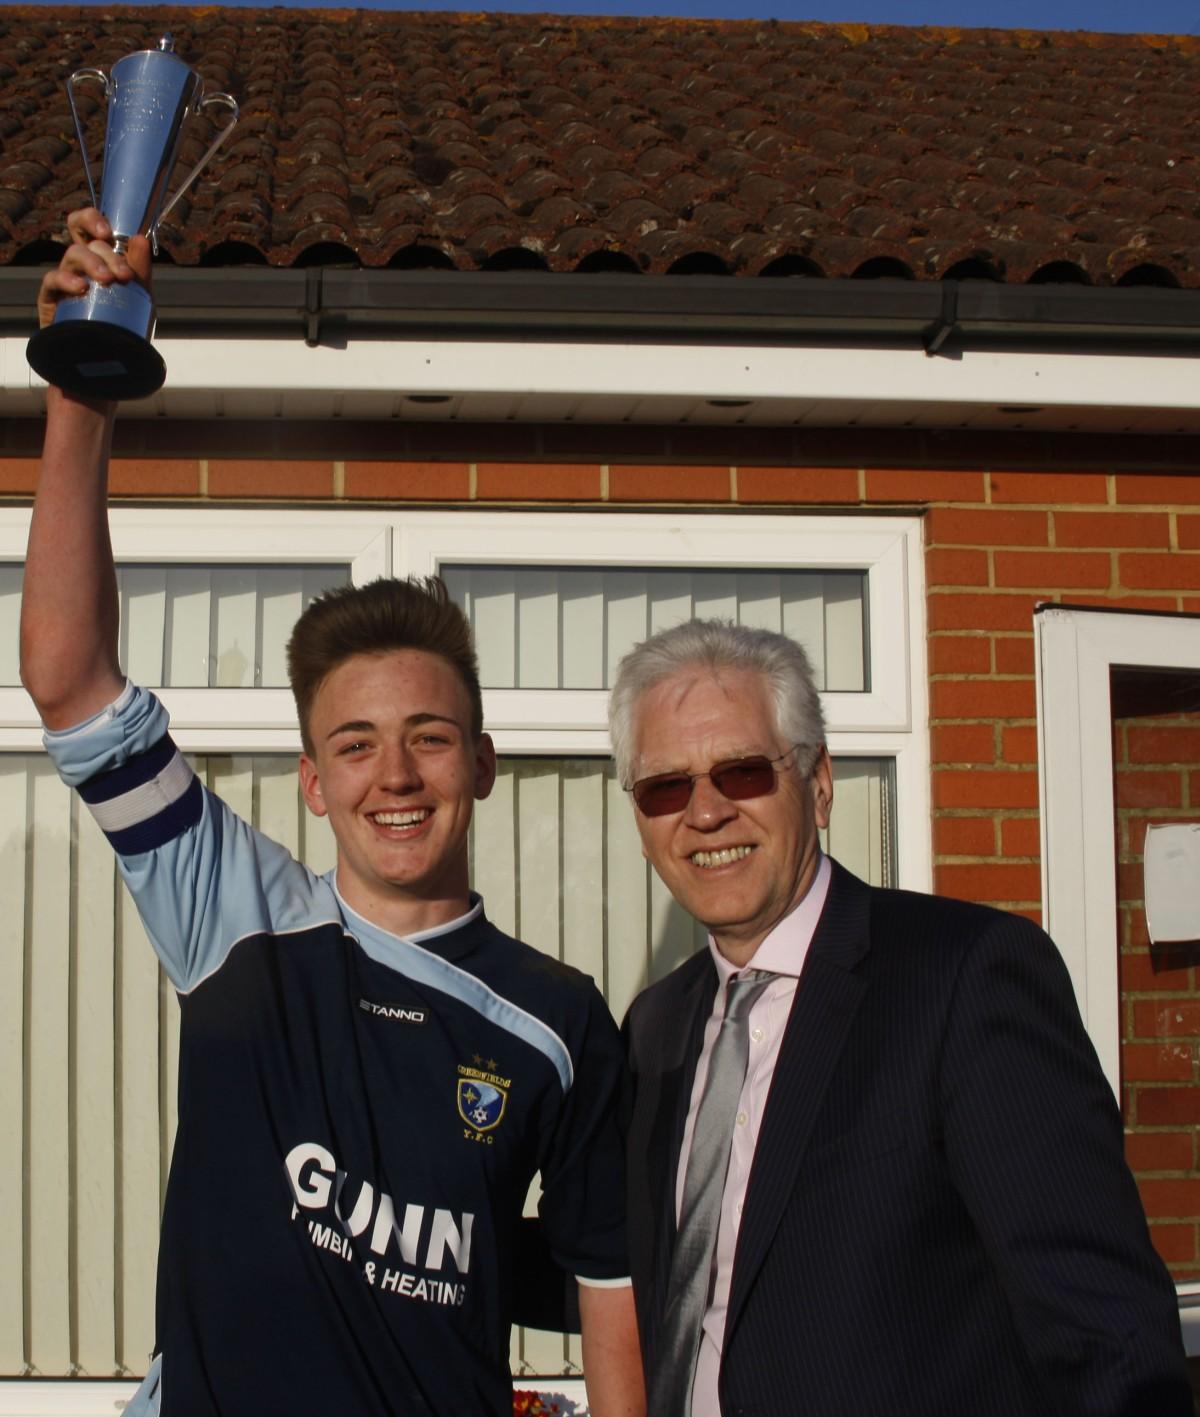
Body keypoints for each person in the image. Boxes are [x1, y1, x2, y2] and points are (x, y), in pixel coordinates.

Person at [23, 209, 645, 1417]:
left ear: (484, 764)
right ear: (314, 781)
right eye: (354, 746)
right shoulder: (234, 917)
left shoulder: (563, 1022)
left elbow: (606, 1289)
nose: (394, 776)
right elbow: (67, 679)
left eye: (429, 738)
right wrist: (79, 392)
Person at [609, 618, 1191, 1417]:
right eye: (665, 786)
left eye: (743, 772)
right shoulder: (655, 1027)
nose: (705, 813)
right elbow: (642, 1271)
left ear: (818, 784)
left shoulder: (963, 977)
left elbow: (1103, 1325)